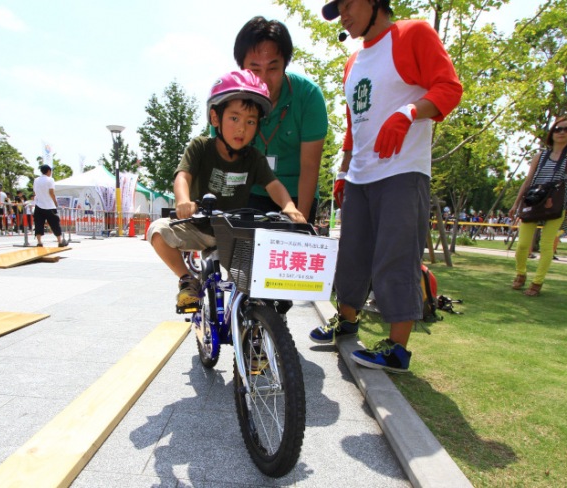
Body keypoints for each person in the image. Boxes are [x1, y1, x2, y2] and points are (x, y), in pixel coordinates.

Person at [311, 0, 463, 373]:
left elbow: (449, 88)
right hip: (361, 174)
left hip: (402, 171)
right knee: (352, 256)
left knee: (395, 258)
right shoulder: (352, 62)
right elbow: (354, 123)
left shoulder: (412, 34)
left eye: (349, 4)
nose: (343, 14)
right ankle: (346, 322)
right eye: (338, 8)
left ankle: (397, 349)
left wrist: (409, 112)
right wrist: (344, 171)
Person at [147, 70, 306, 308]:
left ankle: (257, 324)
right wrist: (183, 200)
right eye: (234, 118)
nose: (242, 128)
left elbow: (274, 185)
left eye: (250, 121)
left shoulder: (253, 157)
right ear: (215, 118)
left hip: (234, 232)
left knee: (251, 289)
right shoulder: (201, 146)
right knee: (157, 231)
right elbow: (183, 176)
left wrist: (289, 206)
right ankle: (188, 280)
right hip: (198, 225)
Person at [232, 16, 328, 223]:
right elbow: (224, 164)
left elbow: (310, 166)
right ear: (241, 67)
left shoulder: (308, 96)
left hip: (296, 193)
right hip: (249, 192)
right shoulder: (228, 100)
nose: (264, 79)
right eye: (255, 70)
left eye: (273, 68)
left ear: (285, 64)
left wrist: (301, 222)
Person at [508, 117, 567, 295]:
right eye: (558, 129)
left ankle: (537, 282)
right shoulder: (540, 155)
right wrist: (516, 203)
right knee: (522, 245)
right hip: (534, 201)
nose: (561, 132)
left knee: (547, 244)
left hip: (558, 202)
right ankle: (521, 273)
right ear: (552, 132)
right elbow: (528, 180)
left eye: (566, 129)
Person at [33, 165, 67, 247]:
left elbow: (35, 192)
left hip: (39, 205)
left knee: (38, 223)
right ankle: (59, 241)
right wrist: (55, 202)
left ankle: (39, 242)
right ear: (48, 171)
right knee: (55, 223)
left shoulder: (36, 180)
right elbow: (51, 193)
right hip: (49, 205)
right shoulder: (50, 180)